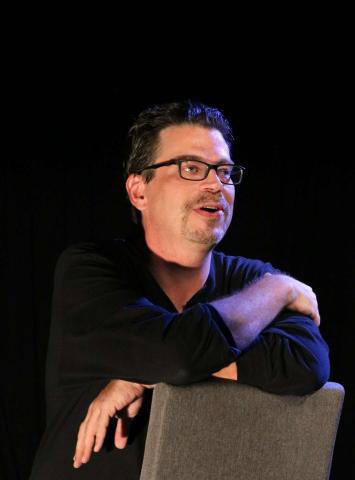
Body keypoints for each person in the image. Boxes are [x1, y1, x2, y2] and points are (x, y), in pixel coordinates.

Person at [30, 101, 329, 479]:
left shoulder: (256, 281)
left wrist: (146, 370)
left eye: (224, 171)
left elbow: (306, 365)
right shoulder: (90, 271)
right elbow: (177, 356)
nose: (214, 184)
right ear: (139, 191)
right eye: (191, 168)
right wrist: (280, 289)